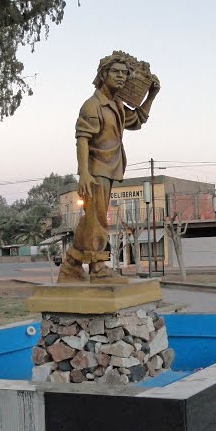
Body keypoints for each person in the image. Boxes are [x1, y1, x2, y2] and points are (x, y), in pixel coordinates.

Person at [58, 54, 160, 283]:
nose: (121, 77)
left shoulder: (116, 105)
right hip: (96, 170)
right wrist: (83, 172)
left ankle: (72, 265)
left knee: (92, 218)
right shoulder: (92, 105)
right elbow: (82, 138)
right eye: (116, 72)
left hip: (111, 168)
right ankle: (97, 268)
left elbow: (138, 120)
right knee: (97, 220)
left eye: (125, 73)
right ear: (103, 75)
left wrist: (151, 95)